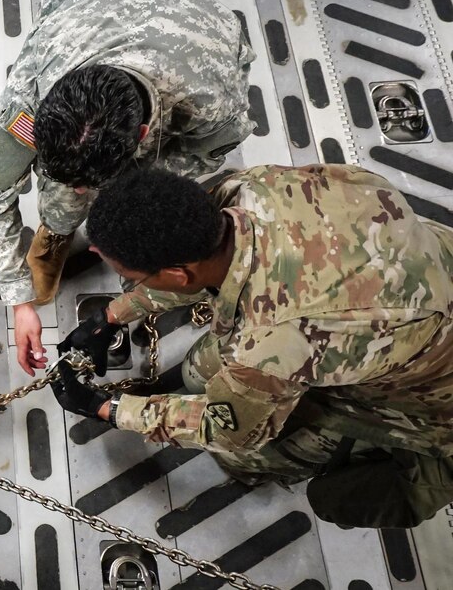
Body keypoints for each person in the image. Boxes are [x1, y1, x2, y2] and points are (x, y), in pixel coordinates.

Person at [52, 164, 453, 528]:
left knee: (250, 460)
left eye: (129, 274)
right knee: (206, 367)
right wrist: (112, 316)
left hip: (435, 399)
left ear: (176, 274)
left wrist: (107, 408)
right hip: (423, 277)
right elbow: (204, 265)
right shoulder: (252, 187)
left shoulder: (274, 341)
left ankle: (420, 468)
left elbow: (232, 431)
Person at [0, 0, 255, 377]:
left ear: (141, 136)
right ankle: (56, 233)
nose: (82, 191)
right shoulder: (45, 77)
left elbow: (202, 158)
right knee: (63, 196)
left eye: (86, 183)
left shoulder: (210, 101)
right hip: (94, 4)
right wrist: (19, 300)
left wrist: (131, 196)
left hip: (195, 33)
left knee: (142, 202)